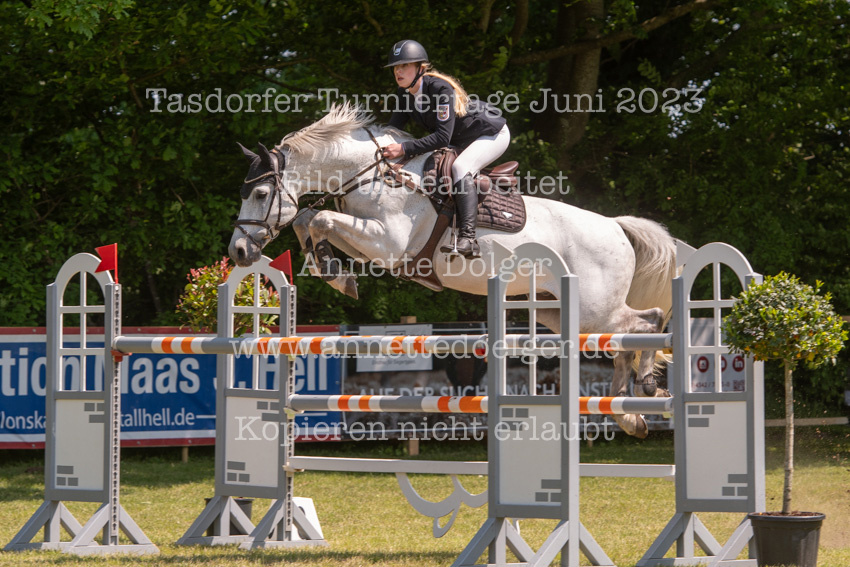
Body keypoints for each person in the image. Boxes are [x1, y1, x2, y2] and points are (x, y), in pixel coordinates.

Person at [382, 40, 510, 258]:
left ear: (420, 68)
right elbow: (392, 131)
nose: (398, 71)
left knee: (461, 167)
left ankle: (468, 239)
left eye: (404, 66)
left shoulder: (440, 89)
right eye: (395, 67)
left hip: (490, 133)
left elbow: (442, 138)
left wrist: (403, 148)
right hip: (460, 139)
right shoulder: (404, 94)